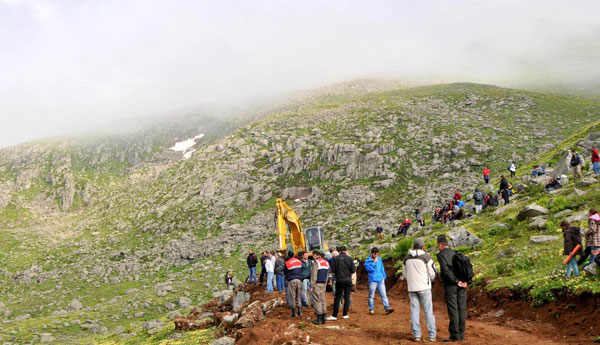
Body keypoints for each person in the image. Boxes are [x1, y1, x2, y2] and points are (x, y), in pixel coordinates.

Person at [404, 238, 437, 342]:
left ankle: (417, 335)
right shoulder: (426, 257)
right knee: (428, 311)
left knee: (414, 311)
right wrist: (429, 280)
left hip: (412, 287)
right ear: (423, 246)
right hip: (424, 287)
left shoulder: (406, 259)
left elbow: (405, 274)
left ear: (413, 246)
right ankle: (432, 335)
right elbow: (433, 272)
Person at [437, 235, 467, 342]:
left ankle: (455, 335)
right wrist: (464, 281)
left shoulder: (441, 255)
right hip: (462, 285)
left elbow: (445, 271)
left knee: (453, 310)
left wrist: (455, 281)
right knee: (462, 309)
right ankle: (462, 334)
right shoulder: (456, 253)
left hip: (451, 285)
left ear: (440, 245)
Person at [327, 246, 356, 321]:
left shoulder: (336, 258)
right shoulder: (349, 258)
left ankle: (334, 315)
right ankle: (345, 314)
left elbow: (333, 270)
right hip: (348, 279)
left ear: (339, 251)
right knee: (347, 296)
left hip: (339, 279)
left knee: (338, 297)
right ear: (346, 251)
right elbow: (353, 270)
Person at [364, 247, 395, 316]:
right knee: (371, 295)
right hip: (373, 280)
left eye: (377, 254)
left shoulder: (380, 259)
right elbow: (369, 269)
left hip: (380, 280)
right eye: (375, 254)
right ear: (372, 254)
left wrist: (384, 276)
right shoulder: (367, 261)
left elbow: (382, 268)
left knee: (384, 295)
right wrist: (374, 263)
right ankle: (371, 309)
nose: (376, 256)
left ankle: (387, 308)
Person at [310, 249, 330, 325]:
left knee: (317, 300)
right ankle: (324, 318)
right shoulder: (326, 262)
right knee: (323, 300)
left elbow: (314, 274)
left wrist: (312, 285)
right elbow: (327, 275)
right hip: (323, 284)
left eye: (313, 254)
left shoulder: (316, 262)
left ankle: (319, 319)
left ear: (315, 254)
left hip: (317, 284)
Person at [284, 251, 304, 317]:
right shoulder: (299, 261)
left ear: (288, 255)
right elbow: (302, 270)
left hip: (292, 280)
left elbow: (285, 272)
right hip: (299, 280)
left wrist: (287, 277)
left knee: (292, 296)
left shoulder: (287, 263)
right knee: (298, 296)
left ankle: (294, 312)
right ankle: (300, 311)